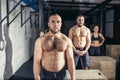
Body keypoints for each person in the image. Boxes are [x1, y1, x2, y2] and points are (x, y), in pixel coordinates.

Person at [33, 13, 75, 80]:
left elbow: (70, 59)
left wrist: (73, 77)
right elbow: (36, 61)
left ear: (61, 24)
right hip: (46, 74)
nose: (56, 24)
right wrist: (37, 77)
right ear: (48, 24)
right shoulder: (41, 40)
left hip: (62, 74)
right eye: (53, 21)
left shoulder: (66, 40)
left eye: (58, 22)